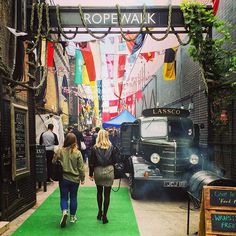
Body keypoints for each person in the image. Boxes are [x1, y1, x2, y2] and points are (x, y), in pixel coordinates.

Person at [53, 133, 85, 228]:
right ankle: (72, 217)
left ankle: (64, 211)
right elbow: (81, 168)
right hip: (75, 179)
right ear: (75, 141)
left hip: (63, 178)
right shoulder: (77, 153)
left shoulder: (60, 151)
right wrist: (82, 178)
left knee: (63, 197)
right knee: (73, 197)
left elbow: (53, 162)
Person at [89, 129, 118, 224]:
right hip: (109, 171)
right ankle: (105, 215)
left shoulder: (94, 148)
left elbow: (91, 163)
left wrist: (90, 174)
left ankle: (99, 212)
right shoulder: (112, 147)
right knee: (107, 195)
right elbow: (115, 161)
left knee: (99, 192)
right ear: (107, 136)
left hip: (98, 171)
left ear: (98, 137)